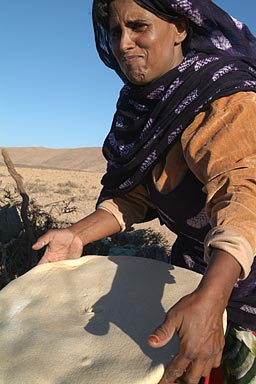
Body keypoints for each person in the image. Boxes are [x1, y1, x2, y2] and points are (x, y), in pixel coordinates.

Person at [33, 1, 256, 383]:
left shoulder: (223, 97)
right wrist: (76, 236)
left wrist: (213, 298)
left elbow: (242, 192)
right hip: (193, 274)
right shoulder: (143, 106)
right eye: (115, 32)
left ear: (180, 28)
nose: (124, 44)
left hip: (240, 285)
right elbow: (136, 195)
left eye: (139, 27)